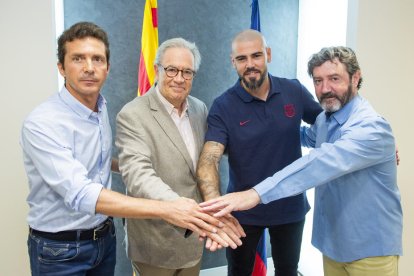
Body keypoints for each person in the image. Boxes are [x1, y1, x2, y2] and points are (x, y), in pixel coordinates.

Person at [20, 22, 236, 276]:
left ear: (107, 68)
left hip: (113, 238)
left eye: (187, 72)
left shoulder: (99, 108)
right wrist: (172, 206)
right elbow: (85, 191)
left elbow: (103, 161)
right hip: (63, 248)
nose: (89, 68)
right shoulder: (44, 122)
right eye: (78, 58)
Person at [201, 46, 403, 276]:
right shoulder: (326, 120)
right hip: (335, 246)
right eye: (318, 80)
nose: (325, 89)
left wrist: (253, 194)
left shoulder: (371, 128)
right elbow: (301, 135)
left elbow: (316, 165)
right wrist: (245, 132)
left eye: (334, 78)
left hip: (370, 249)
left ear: (355, 78)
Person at [196, 29, 322, 276]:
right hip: (243, 211)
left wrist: (365, 136)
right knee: (239, 271)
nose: (250, 64)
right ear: (233, 62)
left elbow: (329, 122)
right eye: (242, 59)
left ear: (268, 54)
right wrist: (218, 209)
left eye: (256, 56)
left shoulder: (293, 91)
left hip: (289, 205)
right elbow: (209, 159)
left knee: (287, 270)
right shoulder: (223, 105)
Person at [115, 37, 244, 276]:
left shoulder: (200, 109)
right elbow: (138, 175)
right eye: (171, 69)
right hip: (154, 241)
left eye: (187, 72)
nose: (179, 78)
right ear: (156, 70)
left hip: (193, 238)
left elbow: (204, 163)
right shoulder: (132, 114)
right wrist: (179, 207)